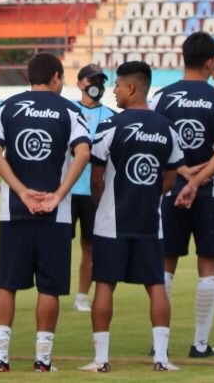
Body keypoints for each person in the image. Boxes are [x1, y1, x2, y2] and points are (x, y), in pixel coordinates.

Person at [0, 52, 91, 372]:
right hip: (54, 214)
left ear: (30, 78)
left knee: (6, 284)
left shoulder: (7, 107)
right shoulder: (70, 110)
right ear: (57, 76)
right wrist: (60, 194)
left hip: (14, 211)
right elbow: (83, 153)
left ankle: (0, 360)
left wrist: (20, 190)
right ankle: (42, 361)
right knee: (49, 287)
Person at [81, 60, 185, 373]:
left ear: (131, 88)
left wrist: (104, 203)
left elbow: (96, 178)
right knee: (156, 285)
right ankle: (162, 359)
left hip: (112, 220)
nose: (112, 91)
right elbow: (171, 176)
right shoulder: (167, 127)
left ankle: (101, 361)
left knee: (103, 285)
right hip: (150, 222)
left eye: (116, 85)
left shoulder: (110, 126)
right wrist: (152, 196)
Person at [149, 31, 214, 358]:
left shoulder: (161, 98)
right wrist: (198, 179)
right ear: (211, 63)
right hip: (210, 192)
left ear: (181, 57)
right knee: (209, 265)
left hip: (169, 189)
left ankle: (159, 341)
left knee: (164, 265)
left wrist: (183, 174)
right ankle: (200, 343)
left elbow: (154, 142)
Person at [70, 64, 115, 313]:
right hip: (67, 189)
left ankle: (81, 296)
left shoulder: (110, 115)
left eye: (100, 80)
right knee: (59, 243)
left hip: (93, 190)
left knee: (90, 245)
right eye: (91, 80)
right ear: (80, 83)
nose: (96, 85)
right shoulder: (68, 111)